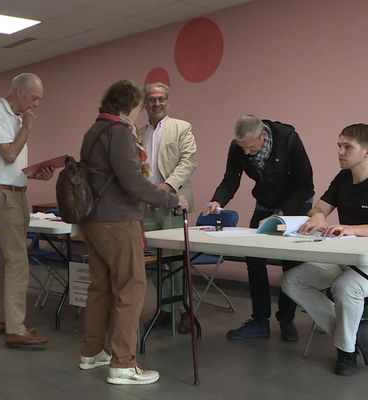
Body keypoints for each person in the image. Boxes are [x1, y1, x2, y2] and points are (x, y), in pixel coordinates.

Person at [77, 80, 187, 385]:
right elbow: (133, 183)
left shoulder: (94, 130)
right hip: (117, 221)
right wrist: (170, 198)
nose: (140, 112)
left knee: (101, 287)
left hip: (93, 221)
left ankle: (92, 351)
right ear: (129, 105)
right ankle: (123, 363)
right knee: (131, 287)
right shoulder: (119, 132)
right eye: (139, 105)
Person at [203, 114, 314, 341]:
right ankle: (259, 321)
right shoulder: (239, 147)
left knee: (290, 261)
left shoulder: (289, 140)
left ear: (263, 135)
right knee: (254, 258)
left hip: (295, 204)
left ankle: (286, 319)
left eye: (251, 148)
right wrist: (217, 201)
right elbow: (230, 179)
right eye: (242, 147)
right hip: (266, 202)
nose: (246, 153)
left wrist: (281, 215)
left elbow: (305, 184)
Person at [282, 123, 368, 376]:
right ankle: (354, 335)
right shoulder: (342, 178)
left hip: (365, 260)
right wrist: (318, 217)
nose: (340, 152)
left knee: (345, 287)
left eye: (347, 147)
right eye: (339, 146)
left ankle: (346, 352)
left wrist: (354, 228)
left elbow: (355, 228)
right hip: (343, 256)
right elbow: (318, 208)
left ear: (366, 151)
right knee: (292, 281)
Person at [0, 73, 55, 347]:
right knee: (18, 260)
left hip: (16, 192)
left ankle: (5, 320)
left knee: (11, 259)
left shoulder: (15, 119)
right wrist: (27, 130)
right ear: (19, 92)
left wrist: (35, 175)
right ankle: (15, 329)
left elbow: (12, 166)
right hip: (3, 195)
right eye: (34, 98)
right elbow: (7, 154)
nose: (37, 105)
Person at [140, 82, 197, 334]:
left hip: (173, 203)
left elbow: (188, 162)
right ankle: (165, 308)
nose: (157, 103)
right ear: (144, 104)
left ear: (167, 101)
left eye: (161, 99)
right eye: (152, 99)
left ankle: (186, 311)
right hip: (146, 206)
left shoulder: (181, 127)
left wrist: (166, 187)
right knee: (151, 261)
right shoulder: (138, 133)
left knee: (176, 262)